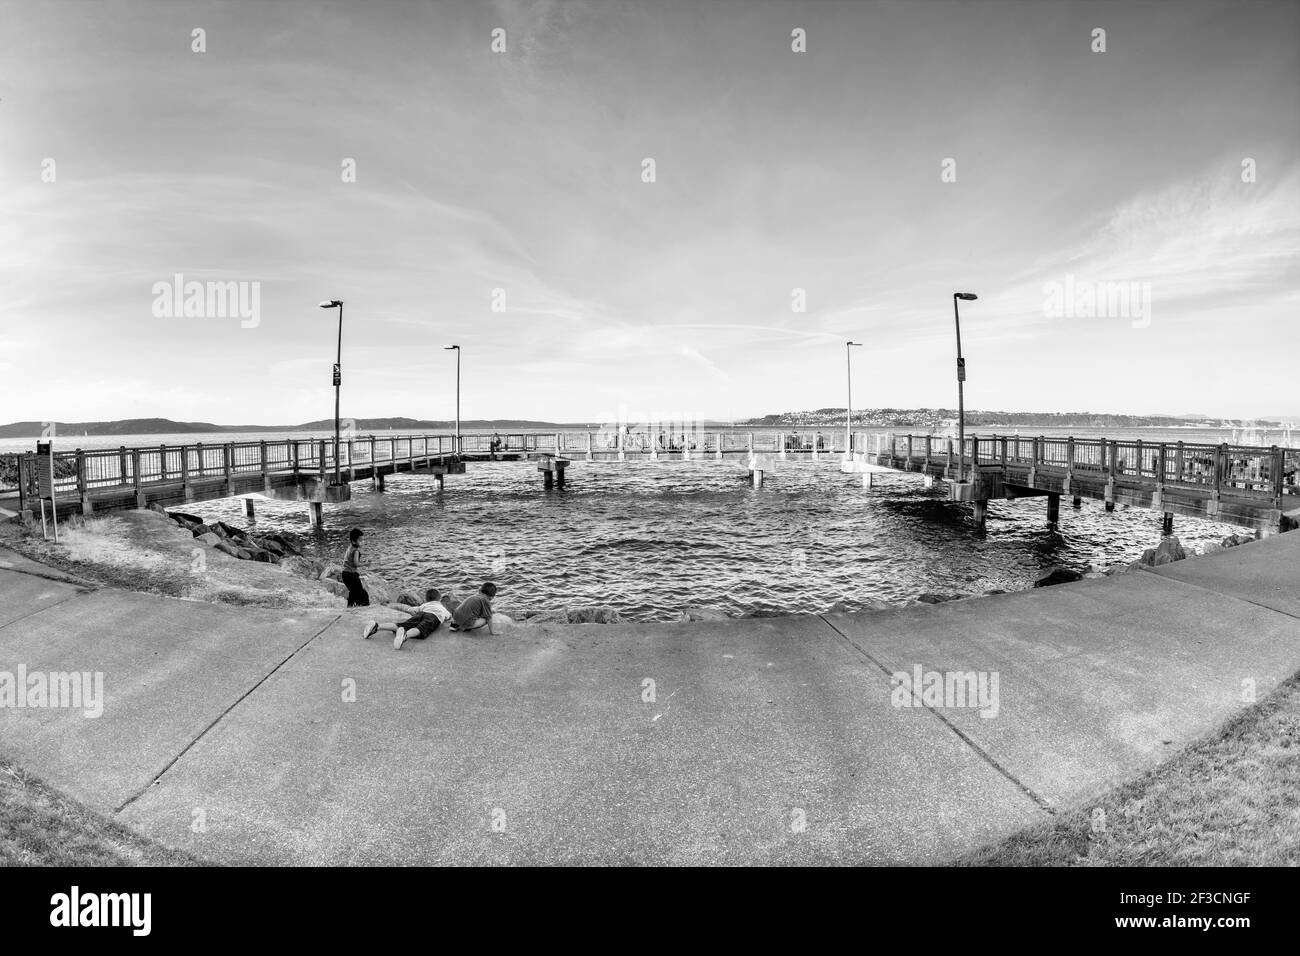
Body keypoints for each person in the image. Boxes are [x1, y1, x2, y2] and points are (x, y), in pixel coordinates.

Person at [362, 588, 452, 650]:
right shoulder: (442, 608)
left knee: (401, 625)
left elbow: (412, 610)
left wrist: (414, 614)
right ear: (439, 599)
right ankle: (405, 635)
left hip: (421, 614)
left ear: (427, 599)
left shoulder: (425, 605)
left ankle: (377, 626)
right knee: (421, 629)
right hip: (433, 617)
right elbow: (448, 617)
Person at [340, 528, 370, 608]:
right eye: (360, 540)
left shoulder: (350, 547)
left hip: (345, 574)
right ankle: (364, 609)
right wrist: (365, 564)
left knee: (353, 592)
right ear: (353, 541)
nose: (362, 542)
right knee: (363, 594)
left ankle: (350, 607)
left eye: (362, 540)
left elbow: (349, 559)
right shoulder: (356, 551)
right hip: (351, 575)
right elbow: (356, 564)